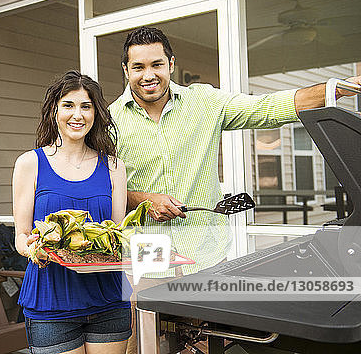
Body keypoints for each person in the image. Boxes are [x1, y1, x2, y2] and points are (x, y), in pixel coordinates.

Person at [108, 25, 361, 353]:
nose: (148, 75)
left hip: (206, 251)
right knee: (153, 342)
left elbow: (266, 108)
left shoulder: (204, 101)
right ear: (125, 70)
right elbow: (104, 189)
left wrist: (336, 89)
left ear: (171, 63)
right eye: (138, 67)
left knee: (212, 343)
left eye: (156, 64)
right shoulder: (111, 120)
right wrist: (142, 199)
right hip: (149, 254)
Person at [13, 70, 132, 354]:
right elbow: (21, 236)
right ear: (54, 110)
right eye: (68, 105)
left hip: (109, 300)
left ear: (95, 114)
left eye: (86, 106)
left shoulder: (114, 166)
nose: (77, 115)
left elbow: (117, 237)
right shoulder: (31, 163)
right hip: (51, 300)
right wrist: (32, 249)